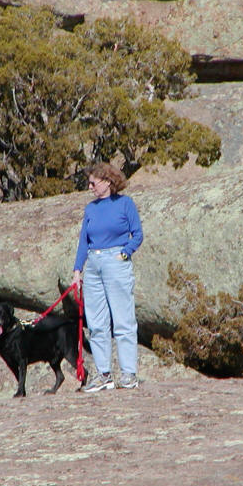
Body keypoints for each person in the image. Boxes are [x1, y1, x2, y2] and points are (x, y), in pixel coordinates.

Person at [73, 162, 143, 391]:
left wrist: (125, 253)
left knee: (123, 320)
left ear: (108, 182)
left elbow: (138, 234)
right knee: (96, 323)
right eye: (89, 182)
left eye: (93, 182)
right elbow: (84, 240)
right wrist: (77, 270)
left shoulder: (125, 203)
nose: (90, 186)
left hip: (116, 262)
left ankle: (129, 374)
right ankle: (104, 374)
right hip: (93, 264)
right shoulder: (90, 209)